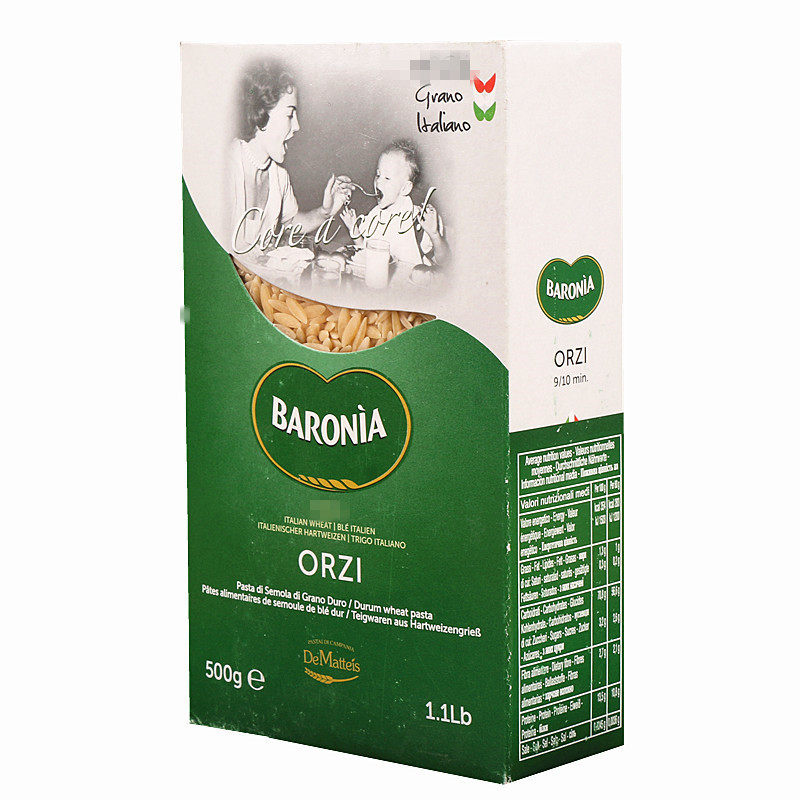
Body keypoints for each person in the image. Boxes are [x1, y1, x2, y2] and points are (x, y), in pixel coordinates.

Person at [230, 61, 350, 252]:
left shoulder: (279, 177)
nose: (297, 126)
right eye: (289, 114)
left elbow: (290, 222)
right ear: (261, 113)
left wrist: (325, 212)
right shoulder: (225, 166)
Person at [339, 140, 449, 265]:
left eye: (387, 178)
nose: (378, 182)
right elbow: (365, 254)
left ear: (405, 188)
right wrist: (354, 230)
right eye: (378, 175)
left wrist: (434, 234)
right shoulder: (375, 215)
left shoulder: (419, 219)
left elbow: (444, 261)